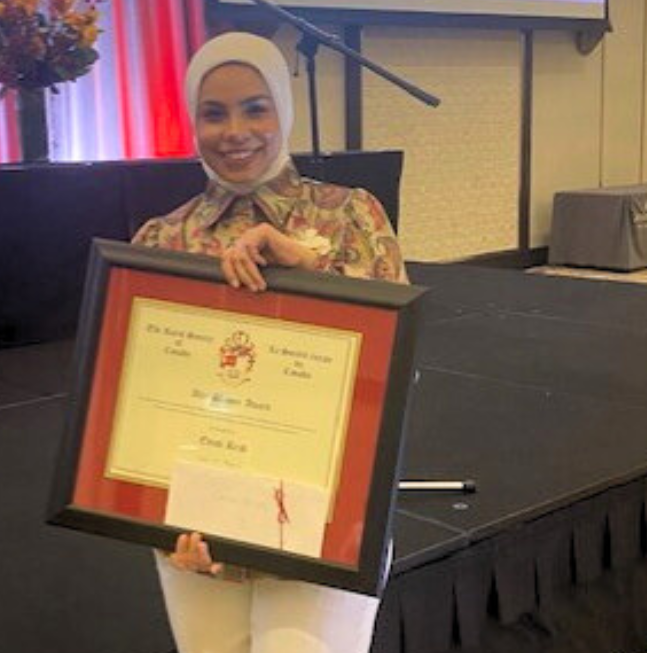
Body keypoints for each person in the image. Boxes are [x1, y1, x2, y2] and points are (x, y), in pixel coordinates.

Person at [132, 32, 408, 653]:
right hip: (196, 530)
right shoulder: (161, 241)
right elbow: (147, 399)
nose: (236, 130)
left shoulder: (350, 218)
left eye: (255, 107)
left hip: (325, 523)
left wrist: (311, 279)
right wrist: (154, 511)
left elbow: (395, 373)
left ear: (283, 109)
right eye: (214, 112)